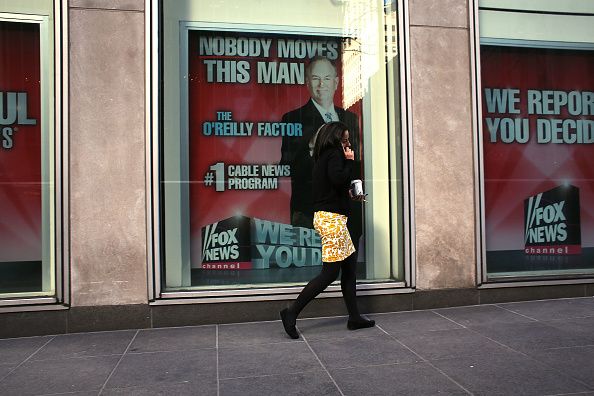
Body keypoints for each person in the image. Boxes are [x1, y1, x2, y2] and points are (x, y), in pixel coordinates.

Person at [280, 122, 375, 339]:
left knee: (349, 270)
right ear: (334, 138)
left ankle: (354, 318)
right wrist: (350, 162)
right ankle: (291, 312)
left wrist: (350, 194)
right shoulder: (334, 154)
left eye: (348, 139)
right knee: (330, 273)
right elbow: (338, 178)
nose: (347, 143)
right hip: (332, 220)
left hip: (331, 218)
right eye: (344, 139)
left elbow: (333, 186)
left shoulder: (322, 157)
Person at [280, 56, 362, 250]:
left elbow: (356, 163)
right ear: (307, 83)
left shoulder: (350, 118)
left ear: (336, 82)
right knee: (318, 270)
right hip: (310, 211)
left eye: (326, 78)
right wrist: (311, 149)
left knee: (345, 268)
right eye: (316, 78)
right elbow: (289, 164)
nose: (321, 84)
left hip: (347, 210)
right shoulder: (293, 118)